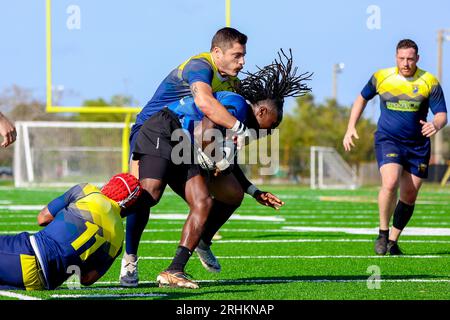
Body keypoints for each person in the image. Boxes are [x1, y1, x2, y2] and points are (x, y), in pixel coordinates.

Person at [153, 50, 312, 289]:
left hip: (186, 149)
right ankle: (130, 256)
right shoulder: (237, 106)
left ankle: (200, 243)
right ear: (261, 111)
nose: (273, 129)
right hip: (166, 138)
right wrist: (219, 161)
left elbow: (229, 160)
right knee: (150, 195)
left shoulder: (243, 123)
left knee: (233, 193)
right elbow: (207, 130)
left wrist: (255, 191)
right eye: (274, 122)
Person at [120, 26, 250, 287]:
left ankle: (192, 251)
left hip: (184, 140)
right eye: (237, 55)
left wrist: (227, 146)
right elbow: (204, 103)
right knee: (144, 195)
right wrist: (239, 128)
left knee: (222, 196)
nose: (242, 62)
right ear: (217, 52)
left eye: (243, 55)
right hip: (151, 130)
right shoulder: (199, 66)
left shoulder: (230, 81)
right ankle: (129, 256)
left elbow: (215, 120)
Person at [343, 39, 447, 255]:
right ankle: (382, 232)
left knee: (409, 196)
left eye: (410, 59)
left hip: (418, 146)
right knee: (390, 182)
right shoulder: (382, 77)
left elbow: (442, 114)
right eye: (401, 58)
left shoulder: (430, 81)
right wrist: (351, 127)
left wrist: (435, 124)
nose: (406, 63)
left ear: (417, 58)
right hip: (388, 139)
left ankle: (392, 240)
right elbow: (361, 99)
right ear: (395, 57)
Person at [0, 173, 142, 290]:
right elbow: (87, 279)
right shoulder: (119, 240)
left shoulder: (87, 190)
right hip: (42, 283)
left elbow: (42, 218)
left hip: (24, 254)